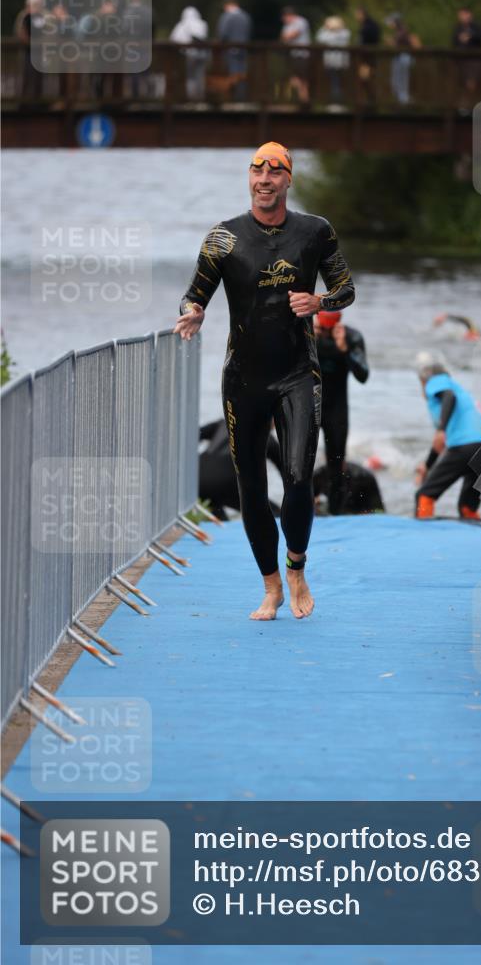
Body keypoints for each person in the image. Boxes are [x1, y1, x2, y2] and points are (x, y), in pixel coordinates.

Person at [173, 142, 355, 620]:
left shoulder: (315, 232)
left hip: (298, 374)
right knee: (252, 487)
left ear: (287, 180)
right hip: (244, 381)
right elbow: (194, 295)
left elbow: (346, 289)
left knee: (297, 479)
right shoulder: (223, 238)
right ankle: (271, 586)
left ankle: (296, 568)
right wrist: (192, 313)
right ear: (250, 179)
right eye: (257, 173)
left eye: (275, 174)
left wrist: (320, 304)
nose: (265, 181)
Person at [414, 352, 481, 520]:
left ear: (423, 381)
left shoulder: (437, 381)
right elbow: (439, 444)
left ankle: (419, 539)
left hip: (465, 446)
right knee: (466, 507)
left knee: (424, 496)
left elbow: (449, 397)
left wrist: (441, 429)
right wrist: (427, 466)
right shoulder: (461, 394)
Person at [314, 310, 368, 514]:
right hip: (309, 404)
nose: (327, 332)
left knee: (336, 464)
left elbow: (363, 375)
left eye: (330, 328)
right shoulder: (307, 332)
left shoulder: (351, 337)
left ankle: (336, 513)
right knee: (299, 460)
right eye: (324, 327)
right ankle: (299, 508)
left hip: (337, 407)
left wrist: (344, 349)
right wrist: (308, 339)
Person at [199, 418, 281, 520]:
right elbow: (285, 469)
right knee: (275, 513)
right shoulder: (266, 437)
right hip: (227, 481)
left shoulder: (224, 423)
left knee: (217, 516)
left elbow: (196, 434)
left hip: (198, 479)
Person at [313, 461, 384, 515]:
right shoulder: (319, 475)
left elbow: (379, 510)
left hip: (360, 515)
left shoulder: (365, 478)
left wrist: (367, 514)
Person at [216, 0, 252, 100]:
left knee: (232, 74)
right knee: (242, 74)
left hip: (230, 50)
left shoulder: (226, 17)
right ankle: (242, 98)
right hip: (244, 49)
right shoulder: (246, 17)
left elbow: (223, 34)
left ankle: (233, 99)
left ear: (227, 5)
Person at [170, 7, 209, 101]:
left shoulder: (182, 24)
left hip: (189, 54)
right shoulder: (203, 24)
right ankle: (201, 97)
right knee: (200, 76)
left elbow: (173, 39)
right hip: (203, 54)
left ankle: (191, 97)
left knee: (190, 76)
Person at [452, 8, 481, 105]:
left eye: (463, 15)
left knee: (472, 83)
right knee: (463, 83)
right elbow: (453, 42)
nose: (461, 17)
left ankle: (470, 104)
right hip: (461, 60)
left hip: (475, 59)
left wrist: (470, 36)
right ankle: (464, 104)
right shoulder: (458, 28)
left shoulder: (476, 27)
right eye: (460, 15)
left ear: (469, 15)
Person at [385, 13, 420, 105]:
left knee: (402, 81)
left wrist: (390, 42)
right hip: (399, 57)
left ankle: (404, 102)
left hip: (404, 57)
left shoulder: (402, 31)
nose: (390, 24)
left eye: (391, 22)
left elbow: (397, 44)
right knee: (397, 81)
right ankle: (401, 101)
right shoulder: (400, 30)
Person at [316, 16, 351, 106]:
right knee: (336, 82)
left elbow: (319, 37)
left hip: (334, 62)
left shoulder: (332, 35)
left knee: (335, 82)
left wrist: (325, 27)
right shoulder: (344, 33)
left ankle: (336, 102)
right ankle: (338, 101)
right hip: (339, 62)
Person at [280, 6, 311, 104]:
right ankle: (301, 100)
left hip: (303, 54)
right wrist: (287, 36)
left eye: (285, 17)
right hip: (292, 55)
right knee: (296, 78)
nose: (284, 19)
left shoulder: (301, 22)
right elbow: (283, 37)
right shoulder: (287, 25)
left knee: (302, 79)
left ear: (290, 15)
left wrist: (287, 36)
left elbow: (292, 35)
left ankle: (304, 100)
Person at [355, 7, 381, 105]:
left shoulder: (369, 26)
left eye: (357, 15)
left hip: (368, 57)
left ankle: (370, 101)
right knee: (365, 79)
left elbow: (369, 40)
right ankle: (369, 101)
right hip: (367, 57)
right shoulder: (369, 25)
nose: (356, 17)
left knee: (366, 79)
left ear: (362, 14)